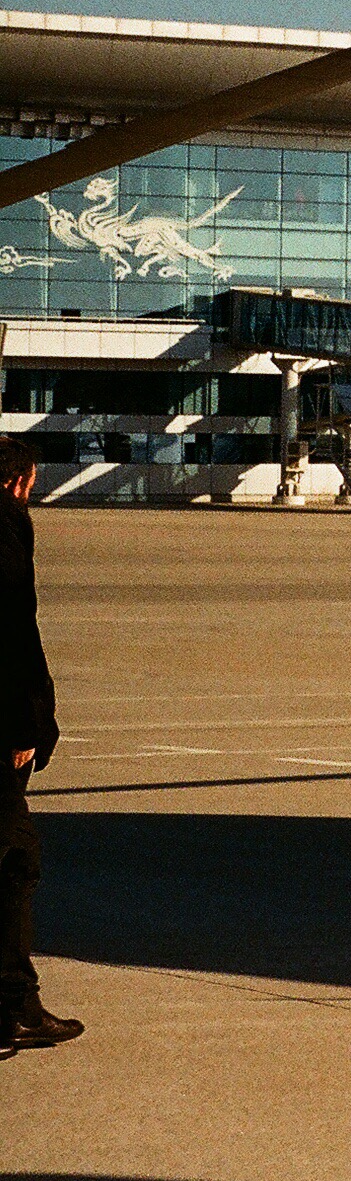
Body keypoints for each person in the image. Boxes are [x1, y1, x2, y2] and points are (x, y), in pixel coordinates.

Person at [1, 436, 80, 1051]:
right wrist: (25, 726)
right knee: (14, 862)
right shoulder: (6, 529)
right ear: (17, 483)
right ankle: (15, 1005)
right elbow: (11, 633)